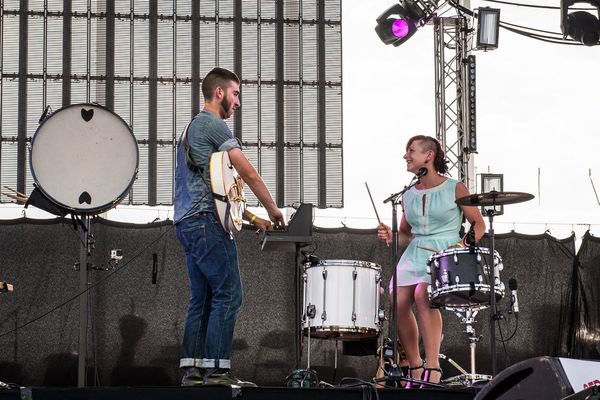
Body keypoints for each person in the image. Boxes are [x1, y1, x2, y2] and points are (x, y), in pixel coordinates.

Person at [173, 67, 285, 387]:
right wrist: (273, 210)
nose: (238, 101)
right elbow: (247, 174)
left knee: (203, 298)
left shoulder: (191, 129)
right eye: (235, 94)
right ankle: (218, 372)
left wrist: (254, 219)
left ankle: (193, 373)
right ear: (219, 92)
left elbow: (222, 192)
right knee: (230, 294)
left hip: (188, 223)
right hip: (207, 223)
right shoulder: (213, 124)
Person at [377, 135, 485, 386]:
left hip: (445, 252)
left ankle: (433, 366)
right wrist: (390, 235)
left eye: (411, 150)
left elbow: (478, 224)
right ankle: (415, 365)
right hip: (415, 251)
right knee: (397, 297)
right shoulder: (408, 194)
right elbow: (405, 234)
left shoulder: (455, 187)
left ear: (429, 155)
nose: (406, 156)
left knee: (422, 294)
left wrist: (462, 245)